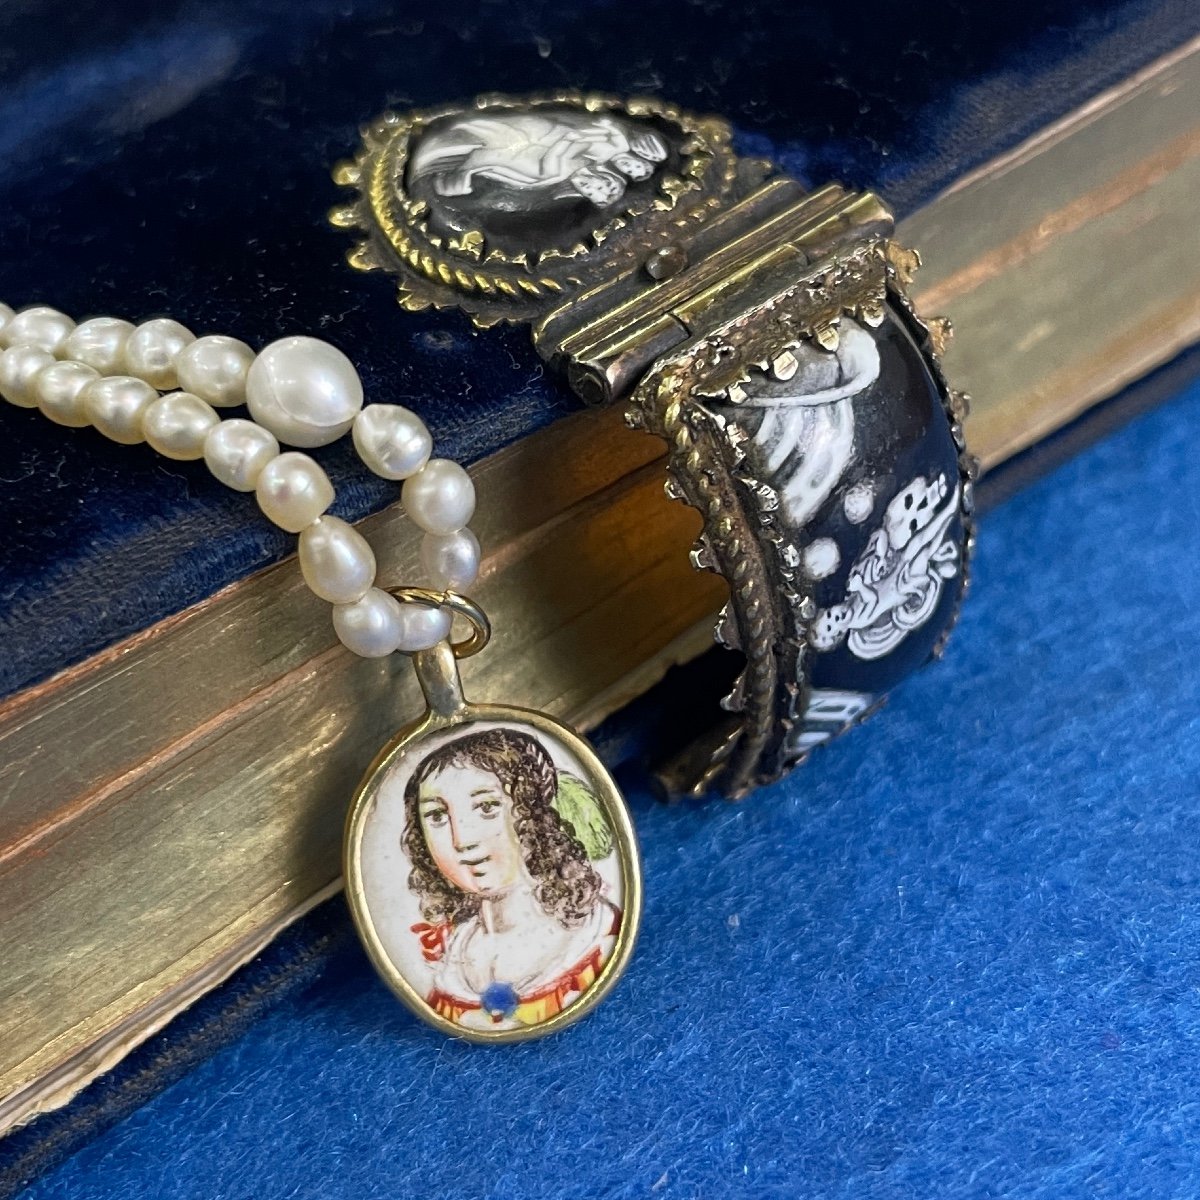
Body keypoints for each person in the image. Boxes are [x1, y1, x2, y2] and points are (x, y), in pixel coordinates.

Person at [402, 727, 621, 1030]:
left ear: (532, 815)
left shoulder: (595, 935)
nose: (461, 840)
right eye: (437, 816)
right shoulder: (450, 965)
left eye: (487, 807)